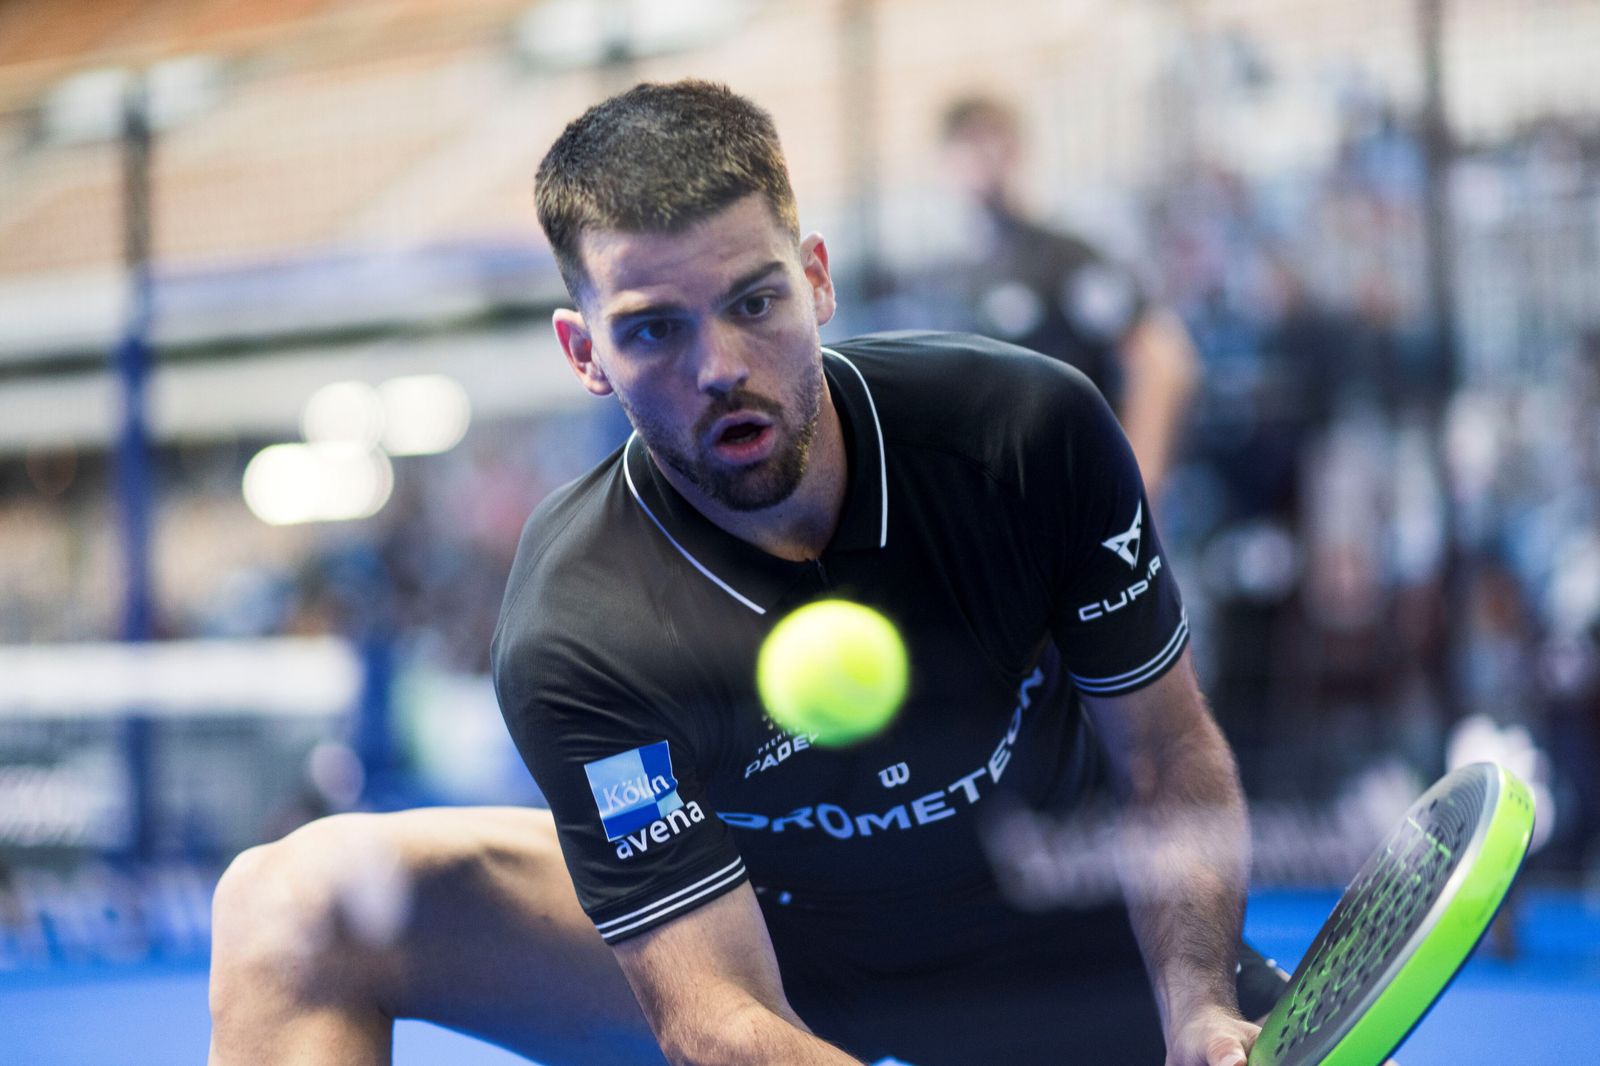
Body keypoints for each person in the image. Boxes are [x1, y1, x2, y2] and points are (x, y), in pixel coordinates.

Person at [207, 80, 1281, 1066]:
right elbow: (714, 1015)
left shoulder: (1024, 434)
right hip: (770, 957)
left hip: (1069, 937)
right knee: (288, 903)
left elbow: (1166, 753)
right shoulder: (576, 623)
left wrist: (1194, 1003)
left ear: (815, 280)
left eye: (755, 302)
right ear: (584, 354)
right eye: (653, 331)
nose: (719, 367)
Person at [920, 95, 1199, 497]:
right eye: (966, 143)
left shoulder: (1062, 259)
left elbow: (1162, 357)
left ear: (1015, 150)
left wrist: (1140, 480)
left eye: (990, 140)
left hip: (1074, 492)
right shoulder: (953, 278)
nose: (980, 157)